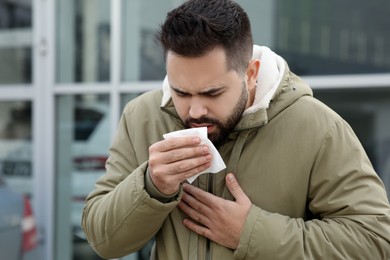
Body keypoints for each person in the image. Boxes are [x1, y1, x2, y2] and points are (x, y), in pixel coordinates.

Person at [82, 0, 390, 259]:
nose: (195, 110)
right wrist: (150, 186)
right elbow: (103, 240)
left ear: (251, 74)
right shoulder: (142, 117)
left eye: (212, 93)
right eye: (181, 92)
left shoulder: (320, 128)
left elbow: (375, 241)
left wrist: (251, 233)